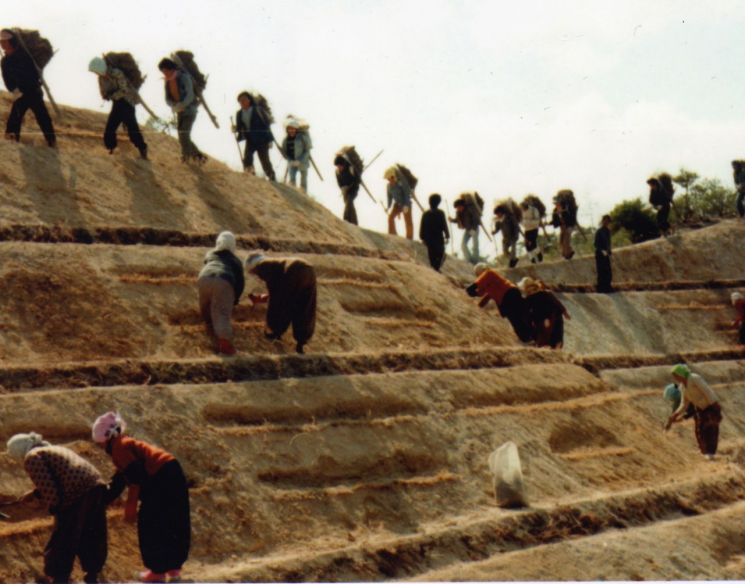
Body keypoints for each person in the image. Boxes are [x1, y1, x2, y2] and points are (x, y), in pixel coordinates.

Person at [92, 412, 190, 583]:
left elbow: (135, 479)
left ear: (107, 438)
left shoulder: (119, 448)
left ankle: (157, 571)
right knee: (174, 521)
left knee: (149, 522)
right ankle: (174, 570)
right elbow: (121, 478)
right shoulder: (126, 443)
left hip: (160, 478)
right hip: (172, 472)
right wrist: (105, 499)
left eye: (101, 444)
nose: (101, 448)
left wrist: (131, 508)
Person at [6, 432, 108, 584]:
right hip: (96, 487)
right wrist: (35, 493)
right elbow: (61, 477)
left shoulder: (32, 457)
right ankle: (92, 575)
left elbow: (51, 489)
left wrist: (56, 510)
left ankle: (58, 577)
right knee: (91, 533)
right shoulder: (53, 449)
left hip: (77, 493)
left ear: (19, 451)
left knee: (63, 536)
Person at [245, 252, 317, 354]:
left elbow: (276, 297)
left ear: (254, 266)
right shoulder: (276, 264)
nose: (257, 275)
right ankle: (302, 341)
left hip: (294, 269)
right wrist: (262, 298)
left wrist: (271, 325)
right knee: (304, 306)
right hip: (309, 270)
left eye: (253, 272)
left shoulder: (263, 265)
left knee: (283, 305)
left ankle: (275, 333)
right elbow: (279, 290)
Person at [0, 29, 56, 147]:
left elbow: (33, 72)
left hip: (33, 91)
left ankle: (51, 141)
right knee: (15, 117)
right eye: (1, 42)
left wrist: (31, 86)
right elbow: (7, 79)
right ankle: (11, 140)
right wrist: (14, 90)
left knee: (43, 117)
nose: (2, 44)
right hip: (21, 93)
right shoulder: (5, 61)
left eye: (5, 41)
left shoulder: (25, 55)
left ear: (11, 41)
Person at [88, 56, 148, 160]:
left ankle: (142, 148)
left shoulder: (117, 73)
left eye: (96, 71)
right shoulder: (101, 78)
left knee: (132, 128)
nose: (96, 74)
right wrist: (106, 95)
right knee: (110, 128)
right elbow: (103, 92)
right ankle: (111, 148)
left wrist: (112, 95)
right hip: (117, 104)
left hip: (127, 102)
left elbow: (124, 90)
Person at [197, 231, 245, 356]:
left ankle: (209, 334)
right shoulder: (235, 260)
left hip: (204, 278)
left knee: (206, 307)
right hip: (224, 279)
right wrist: (235, 299)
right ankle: (225, 348)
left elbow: (207, 264)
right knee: (222, 313)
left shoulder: (210, 254)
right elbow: (240, 282)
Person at [665, 364, 722, 460]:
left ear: (681, 373)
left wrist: (714, 405)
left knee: (711, 429)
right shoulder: (682, 387)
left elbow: (707, 391)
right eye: (674, 376)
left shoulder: (694, 378)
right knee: (699, 430)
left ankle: (711, 453)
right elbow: (684, 403)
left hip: (710, 406)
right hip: (699, 409)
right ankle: (704, 452)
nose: (675, 377)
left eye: (676, 375)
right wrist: (675, 414)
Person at [466, 264, 533, 343]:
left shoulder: (488, 273)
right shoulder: (488, 282)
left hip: (509, 296)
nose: (477, 276)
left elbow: (474, 288)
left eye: (477, 274)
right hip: (511, 295)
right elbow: (483, 295)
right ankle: (531, 338)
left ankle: (528, 339)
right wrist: (477, 305)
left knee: (516, 319)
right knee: (520, 318)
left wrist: (471, 289)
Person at [158, 57, 205, 164]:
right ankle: (199, 156)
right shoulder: (167, 81)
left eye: (165, 71)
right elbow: (167, 98)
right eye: (163, 72)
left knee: (184, 134)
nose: (164, 74)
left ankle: (186, 156)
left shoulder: (184, 78)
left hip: (190, 110)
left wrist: (180, 105)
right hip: (179, 111)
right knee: (182, 135)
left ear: (170, 69)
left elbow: (189, 96)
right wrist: (174, 106)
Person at [518, 277, 570, 348]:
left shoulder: (532, 298)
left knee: (549, 339)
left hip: (549, 319)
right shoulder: (544, 294)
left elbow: (526, 315)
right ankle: (553, 346)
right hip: (553, 318)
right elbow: (557, 304)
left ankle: (551, 346)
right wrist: (565, 312)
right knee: (554, 338)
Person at [234, 91, 276, 180]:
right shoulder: (239, 114)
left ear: (249, 100)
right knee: (247, 158)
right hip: (250, 139)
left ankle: (271, 176)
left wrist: (270, 140)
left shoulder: (258, 110)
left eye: (244, 100)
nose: (242, 102)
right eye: (240, 101)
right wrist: (235, 129)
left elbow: (267, 124)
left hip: (262, 139)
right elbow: (239, 127)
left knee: (264, 160)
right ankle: (250, 175)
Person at [419, 193, 450, 271]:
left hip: (428, 239)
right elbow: (444, 225)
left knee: (432, 254)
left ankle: (434, 267)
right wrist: (447, 235)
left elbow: (422, 226)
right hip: (438, 238)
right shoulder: (440, 213)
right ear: (438, 203)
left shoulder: (425, 213)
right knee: (440, 254)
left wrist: (422, 237)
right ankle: (436, 267)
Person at [451, 193, 483, 264]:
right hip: (467, 230)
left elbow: (476, 219)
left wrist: (474, 229)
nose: (458, 209)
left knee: (475, 245)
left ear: (462, 206)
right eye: (457, 208)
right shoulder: (459, 213)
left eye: (459, 207)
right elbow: (457, 220)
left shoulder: (470, 210)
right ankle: (469, 259)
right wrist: (452, 220)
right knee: (463, 244)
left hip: (474, 229)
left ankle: (475, 260)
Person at [281, 118, 311, 192]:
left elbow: (307, 151)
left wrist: (299, 161)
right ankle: (293, 194)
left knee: (303, 181)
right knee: (292, 179)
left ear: (296, 129)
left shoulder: (302, 138)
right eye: (289, 129)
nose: (291, 131)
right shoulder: (285, 140)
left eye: (293, 129)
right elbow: (285, 152)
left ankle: (304, 195)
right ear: (287, 130)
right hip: (292, 162)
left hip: (303, 162)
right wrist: (290, 160)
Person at [384, 166, 413, 239]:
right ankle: (392, 234)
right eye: (388, 179)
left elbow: (406, 194)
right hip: (397, 205)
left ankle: (409, 238)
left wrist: (406, 205)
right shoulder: (388, 186)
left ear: (393, 176)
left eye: (390, 178)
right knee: (390, 218)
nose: (390, 180)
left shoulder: (401, 183)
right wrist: (388, 207)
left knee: (408, 222)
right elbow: (389, 197)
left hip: (406, 204)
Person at [334, 151, 361, 225]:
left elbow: (358, 180)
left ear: (343, 164)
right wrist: (343, 188)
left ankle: (345, 220)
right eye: (337, 166)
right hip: (345, 190)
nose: (339, 168)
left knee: (349, 202)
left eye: (340, 166)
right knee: (349, 204)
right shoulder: (337, 172)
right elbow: (339, 183)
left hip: (354, 189)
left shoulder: (350, 168)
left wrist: (351, 187)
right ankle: (354, 223)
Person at [493, 201, 521, 268]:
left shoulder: (510, 217)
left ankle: (512, 262)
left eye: (498, 213)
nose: (497, 215)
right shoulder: (498, 220)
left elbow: (516, 226)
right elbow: (497, 228)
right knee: (505, 252)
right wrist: (494, 231)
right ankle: (514, 259)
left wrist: (516, 235)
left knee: (513, 250)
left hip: (512, 236)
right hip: (505, 238)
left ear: (501, 212)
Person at [551, 190, 577, 259]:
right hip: (565, 227)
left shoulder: (568, 208)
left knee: (565, 240)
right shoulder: (556, 210)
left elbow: (569, 219)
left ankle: (566, 253)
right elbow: (556, 220)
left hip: (568, 226)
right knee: (563, 240)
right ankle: (567, 252)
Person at [520, 197, 543, 264]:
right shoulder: (521, 212)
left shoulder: (533, 210)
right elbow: (521, 221)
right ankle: (532, 260)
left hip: (534, 229)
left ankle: (539, 256)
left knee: (532, 243)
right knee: (527, 245)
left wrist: (528, 222)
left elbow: (537, 220)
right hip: (527, 229)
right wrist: (525, 223)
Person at [594, 214, 613, 293]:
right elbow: (596, 244)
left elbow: (608, 242)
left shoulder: (608, 231)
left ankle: (608, 287)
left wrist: (609, 250)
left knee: (608, 271)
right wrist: (602, 251)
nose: (607, 222)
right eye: (606, 221)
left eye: (608, 221)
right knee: (601, 271)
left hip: (606, 254)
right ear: (603, 221)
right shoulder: (599, 231)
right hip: (600, 253)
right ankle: (601, 288)